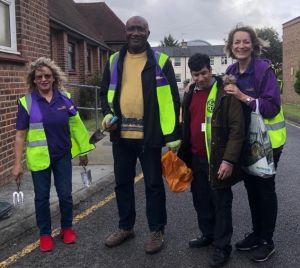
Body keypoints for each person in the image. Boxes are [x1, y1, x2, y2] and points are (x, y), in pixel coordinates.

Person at [99, 16, 181, 254]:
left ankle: (157, 231)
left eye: (140, 29)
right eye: (131, 28)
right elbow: (105, 93)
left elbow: (172, 100)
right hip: (121, 137)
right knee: (122, 184)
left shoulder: (161, 61)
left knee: (153, 185)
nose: (135, 32)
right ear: (125, 32)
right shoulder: (114, 60)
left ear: (148, 32)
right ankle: (126, 227)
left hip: (150, 136)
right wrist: (106, 115)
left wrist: (173, 134)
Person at [12, 57, 95, 252]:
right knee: (41, 198)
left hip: (62, 156)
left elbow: (77, 126)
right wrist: (17, 164)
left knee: (65, 195)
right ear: (33, 79)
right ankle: (45, 234)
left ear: (53, 77)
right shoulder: (26, 102)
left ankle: (66, 228)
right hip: (39, 158)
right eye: (39, 76)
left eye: (47, 75)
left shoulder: (64, 97)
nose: (43, 79)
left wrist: (83, 151)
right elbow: (20, 135)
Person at [224, 25, 286, 262]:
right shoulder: (231, 70)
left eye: (245, 42)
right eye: (236, 42)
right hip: (244, 142)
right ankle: (256, 234)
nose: (241, 46)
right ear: (230, 46)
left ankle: (267, 241)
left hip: (267, 143)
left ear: (253, 44)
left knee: (264, 191)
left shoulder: (263, 70)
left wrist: (242, 96)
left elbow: (271, 107)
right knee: (251, 188)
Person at [178, 53, 245, 268]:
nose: (199, 78)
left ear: (211, 70)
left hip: (218, 160)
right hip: (195, 158)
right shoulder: (190, 94)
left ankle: (222, 247)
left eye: (203, 73)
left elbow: (237, 129)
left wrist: (229, 160)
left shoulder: (225, 94)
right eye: (195, 74)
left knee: (221, 203)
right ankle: (208, 234)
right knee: (201, 200)